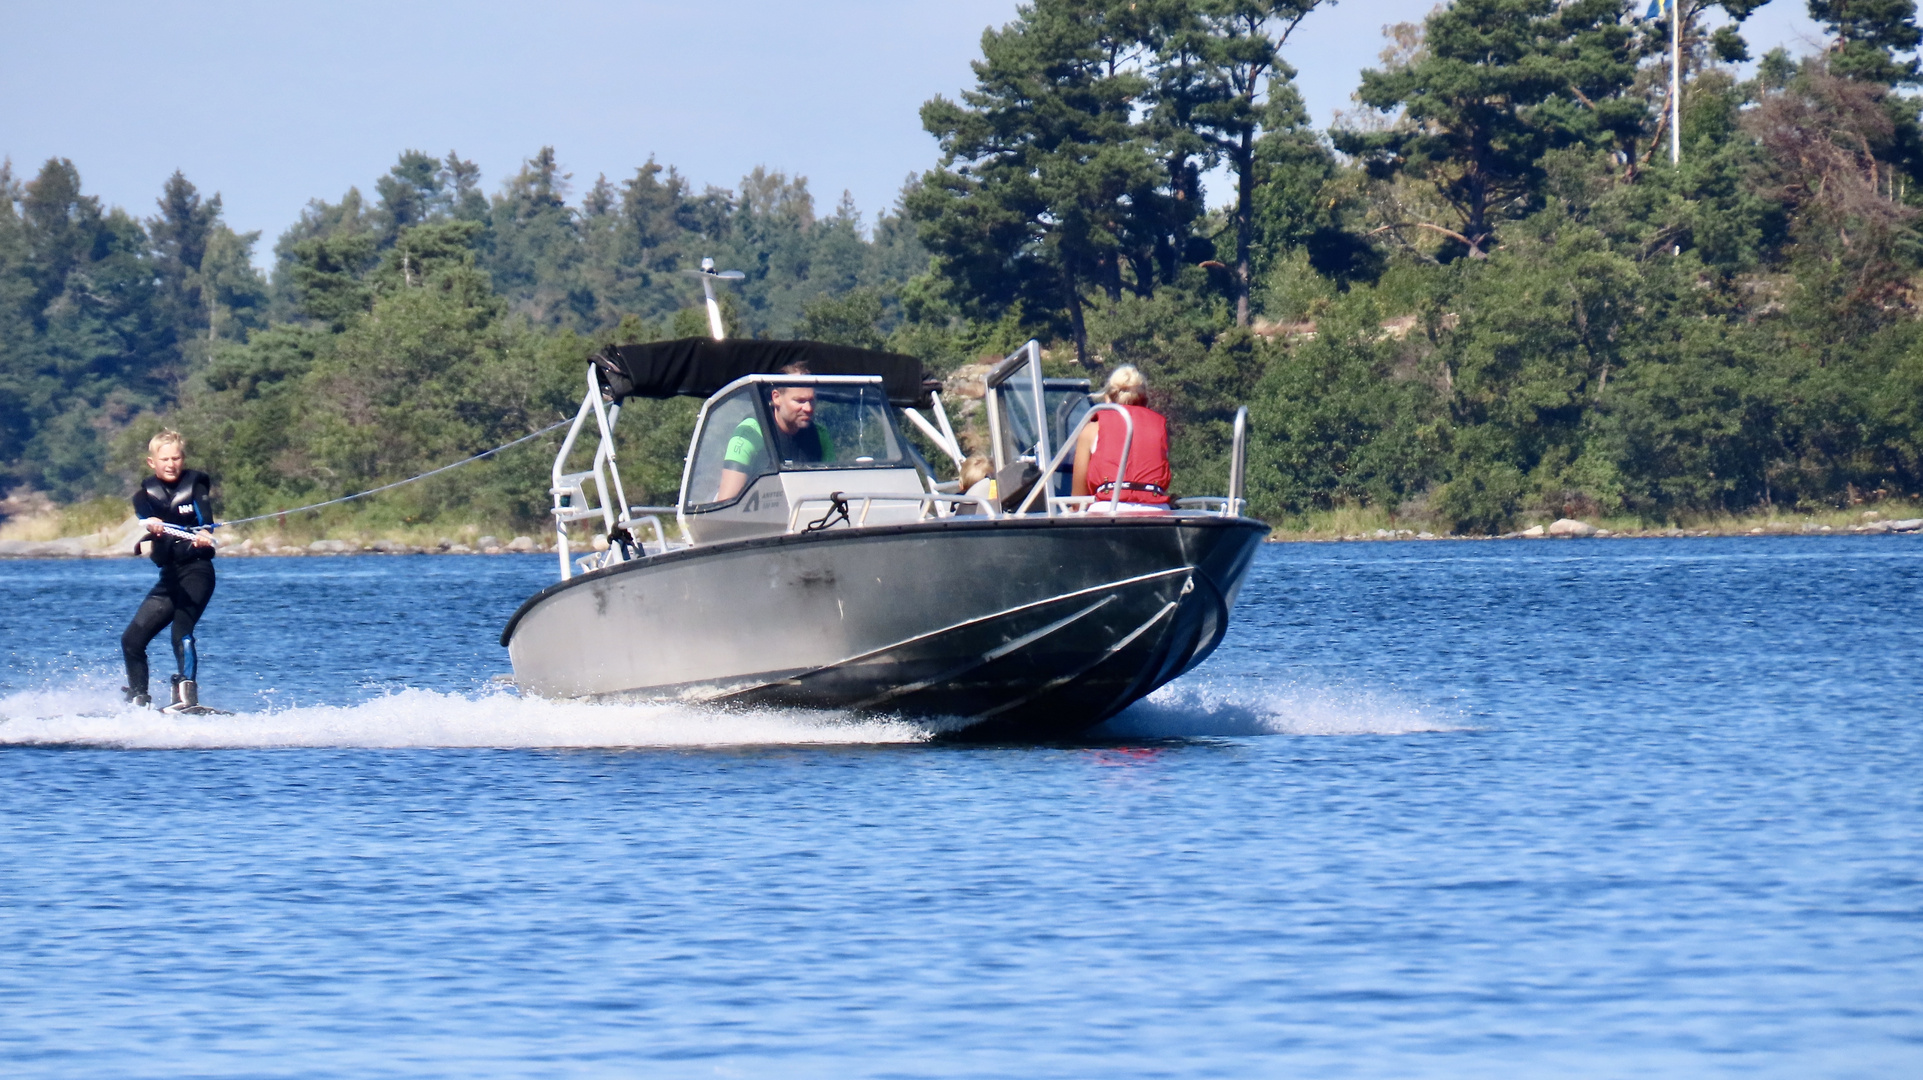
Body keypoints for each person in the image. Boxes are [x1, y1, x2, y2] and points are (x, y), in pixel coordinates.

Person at [121, 429, 218, 712]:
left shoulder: (195, 487)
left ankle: (186, 695)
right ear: (152, 462)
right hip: (170, 578)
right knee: (132, 640)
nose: (171, 463)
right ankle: (139, 700)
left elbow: (206, 520)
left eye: (176, 458)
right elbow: (143, 518)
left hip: (197, 572)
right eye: (164, 459)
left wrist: (203, 532)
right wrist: (152, 524)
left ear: (182, 459)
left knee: (181, 631)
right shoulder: (143, 496)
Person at [714, 363, 836, 502]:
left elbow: (831, 491)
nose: (808, 408)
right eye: (800, 401)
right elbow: (726, 501)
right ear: (776, 397)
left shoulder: (820, 435)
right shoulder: (749, 433)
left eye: (812, 400)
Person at [1071, 365, 1173, 512]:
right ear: (1145, 400)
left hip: (1107, 511)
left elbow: (1077, 501)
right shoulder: (1161, 429)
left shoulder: (1091, 430)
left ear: (1107, 398)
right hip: (1157, 512)